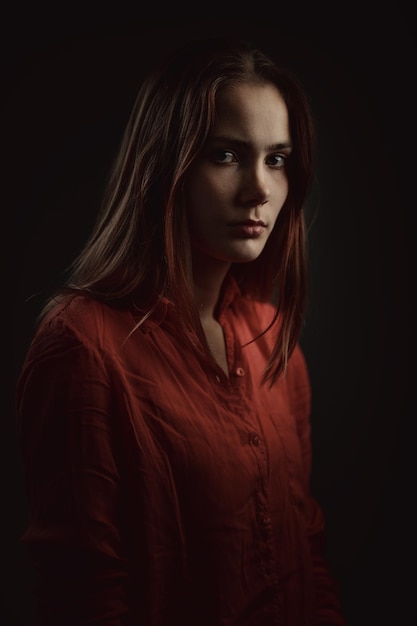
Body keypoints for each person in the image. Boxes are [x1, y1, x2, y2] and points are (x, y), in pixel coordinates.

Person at [15, 36, 347, 626]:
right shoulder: (83, 346)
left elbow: (307, 557)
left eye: (276, 159)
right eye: (225, 155)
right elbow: (83, 596)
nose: (259, 190)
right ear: (166, 164)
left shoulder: (275, 342)